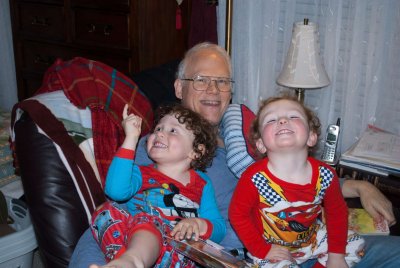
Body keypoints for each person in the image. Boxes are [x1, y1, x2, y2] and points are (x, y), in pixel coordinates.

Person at [69, 42, 399, 268]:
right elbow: (117, 217)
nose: (213, 90)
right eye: (201, 80)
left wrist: (357, 187)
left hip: (310, 241)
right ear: (179, 88)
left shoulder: (245, 135)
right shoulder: (159, 151)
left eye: (222, 82)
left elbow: (295, 173)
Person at [229, 95, 365, 267]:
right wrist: (262, 249)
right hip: (271, 249)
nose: (283, 120)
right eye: (271, 119)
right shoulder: (255, 177)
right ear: (261, 144)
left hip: (312, 240)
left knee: (355, 242)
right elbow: (237, 215)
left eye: (293, 116)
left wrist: (336, 256)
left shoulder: (326, 175)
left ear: (311, 137)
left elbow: (337, 213)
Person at [89, 104, 225, 268]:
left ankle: (130, 262)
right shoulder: (140, 173)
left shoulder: (202, 183)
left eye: (173, 130)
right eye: (158, 128)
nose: (159, 132)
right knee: (105, 211)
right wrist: (131, 138)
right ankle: (125, 261)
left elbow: (219, 228)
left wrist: (198, 224)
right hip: (136, 241)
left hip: (177, 253)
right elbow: (115, 191)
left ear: (196, 151)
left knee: (150, 220)